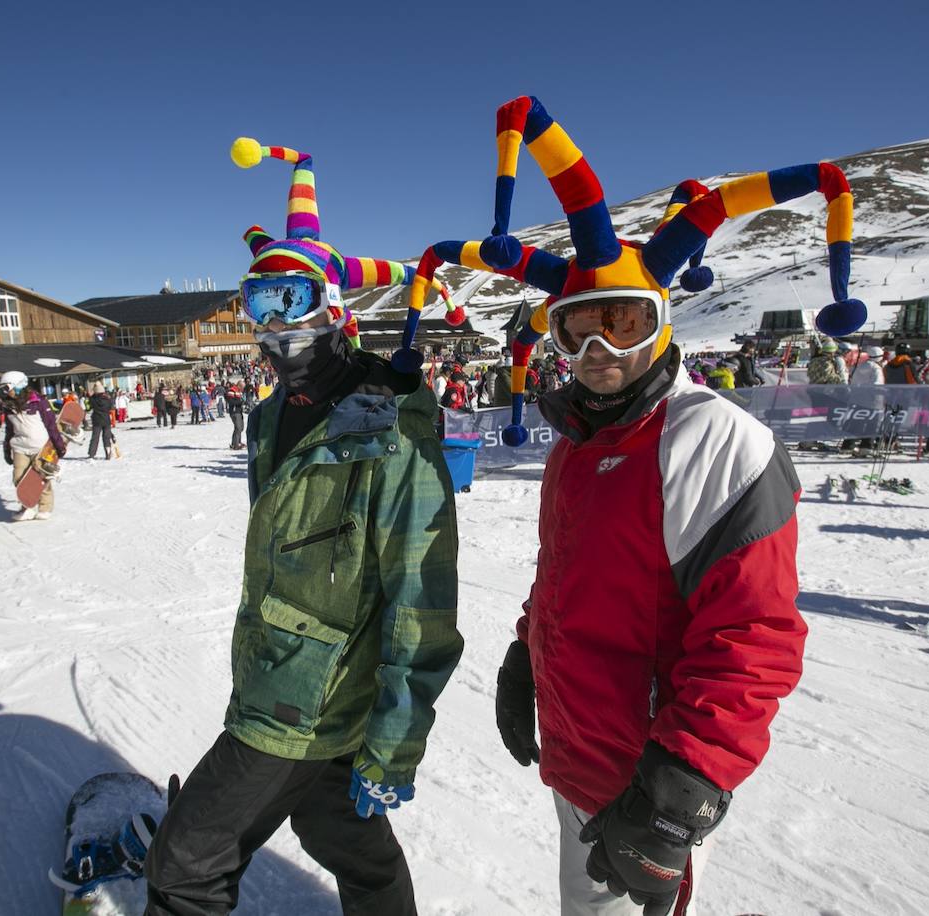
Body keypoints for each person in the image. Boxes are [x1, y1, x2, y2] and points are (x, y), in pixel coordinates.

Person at [395, 98, 852, 916]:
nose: (600, 353)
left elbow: (754, 637)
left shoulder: (716, 442)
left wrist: (680, 794)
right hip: (575, 756)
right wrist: (527, 653)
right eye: (579, 330)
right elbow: (566, 573)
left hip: (647, 784)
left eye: (624, 323)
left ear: (661, 322)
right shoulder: (574, 443)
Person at [144, 135, 464, 916]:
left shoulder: (391, 432)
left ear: (333, 308)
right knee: (344, 839)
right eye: (259, 302)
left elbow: (422, 602)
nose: (274, 324)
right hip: (287, 675)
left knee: (185, 864)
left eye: (293, 301)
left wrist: (395, 742)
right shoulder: (269, 419)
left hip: (298, 708)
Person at [0, 371, 65, 521]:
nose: (4, 391)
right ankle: (27, 506)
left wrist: (58, 446)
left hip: (39, 445)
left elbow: (51, 424)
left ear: (17, 386)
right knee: (19, 478)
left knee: (40, 477)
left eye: (6, 387)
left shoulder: (38, 401)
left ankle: (45, 507)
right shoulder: (8, 405)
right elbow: (10, 429)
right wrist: (6, 448)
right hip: (20, 446)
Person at [87, 382, 114, 459]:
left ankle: (91, 454)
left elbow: (89, 407)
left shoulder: (92, 399)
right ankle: (108, 453)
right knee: (106, 437)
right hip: (106, 420)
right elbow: (111, 407)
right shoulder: (107, 399)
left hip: (97, 420)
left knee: (95, 437)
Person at [224, 380, 245, 450]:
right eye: (242, 387)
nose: (243, 389)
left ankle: (237, 442)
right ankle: (235, 444)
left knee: (241, 427)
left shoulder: (239, 391)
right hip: (234, 411)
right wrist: (240, 402)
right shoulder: (232, 391)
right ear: (239, 385)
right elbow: (231, 401)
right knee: (238, 427)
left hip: (239, 411)